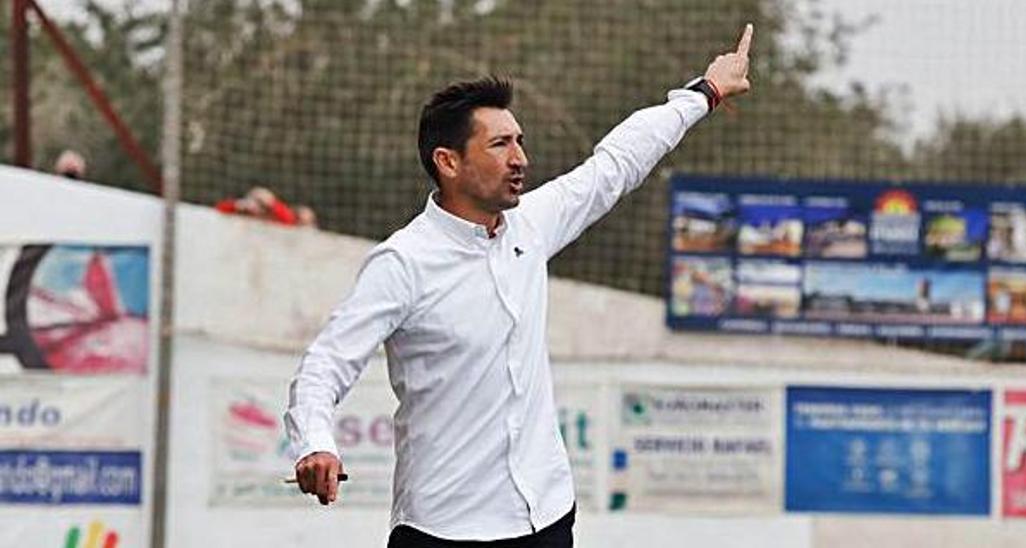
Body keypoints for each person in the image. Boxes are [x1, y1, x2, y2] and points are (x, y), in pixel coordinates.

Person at [284, 24, 754, 548]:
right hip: (444, 529)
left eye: (520, 142)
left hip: (546, 516)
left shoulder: (530, 224)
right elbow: (325, 363)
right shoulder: (403, 262)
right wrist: (315, 443)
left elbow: (615, 165)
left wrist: (704, 93)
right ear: (449, 162)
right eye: (501, 144)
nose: (520, 159)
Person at [215, 186, 301, 225]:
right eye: (257, 202)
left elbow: (290, 221)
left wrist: (272, 204)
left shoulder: (272, 218)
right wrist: (235, 205)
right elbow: (216, 213)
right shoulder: (238, 210)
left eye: (263, 205)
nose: (259, 207)